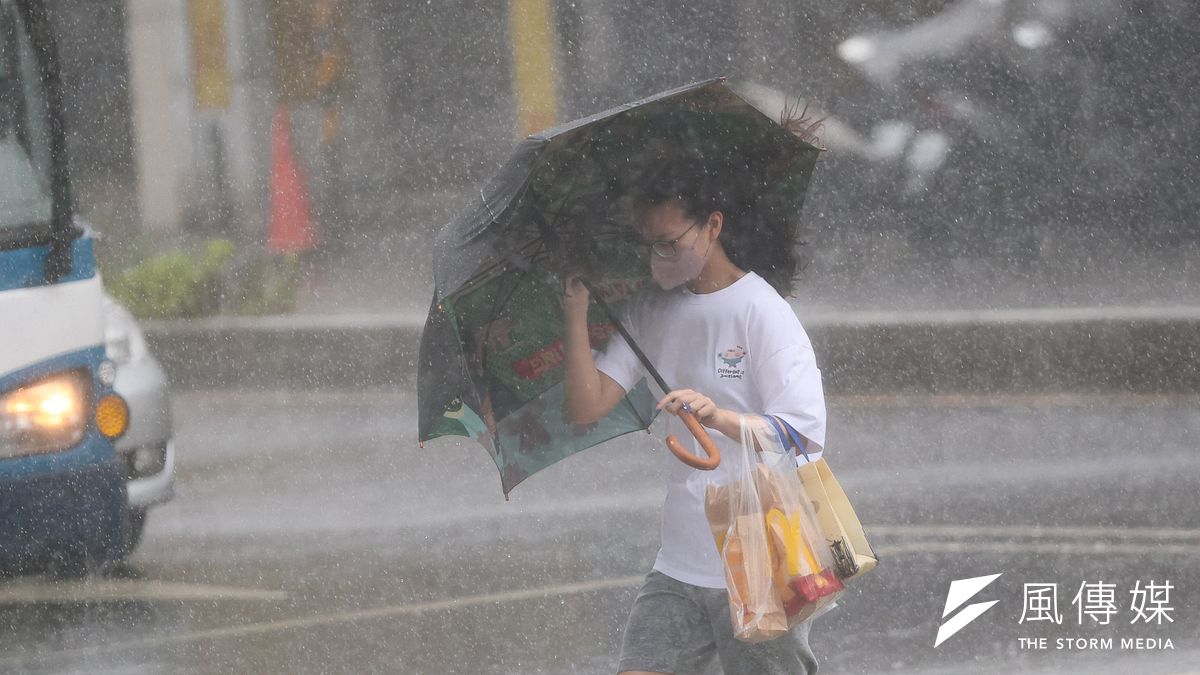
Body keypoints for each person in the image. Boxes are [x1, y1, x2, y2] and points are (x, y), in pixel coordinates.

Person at [562, 160, 828, 675]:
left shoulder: (761, 312)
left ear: (713, 226)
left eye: (669, 242)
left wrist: (719, 416)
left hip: (762, 555)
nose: (658, 257)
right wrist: (575, 310)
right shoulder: (651, 312)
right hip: (680, 562)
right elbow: (586, 406)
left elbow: (802, 435)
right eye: (649, 244)